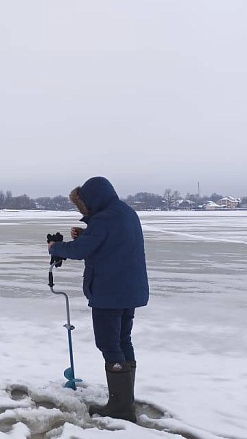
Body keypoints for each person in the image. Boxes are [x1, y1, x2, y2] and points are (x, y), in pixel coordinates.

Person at [47, 176, 149, 422]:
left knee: (109, 344)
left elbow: (80, 250)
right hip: (129, 290)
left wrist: (54, 248)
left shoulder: (103, 219)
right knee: (123, 340)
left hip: (110, 291)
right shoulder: (126, 213)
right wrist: (87, 234)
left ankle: (120, 408)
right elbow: (112, 242)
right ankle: (125, 401)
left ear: (92, 199)